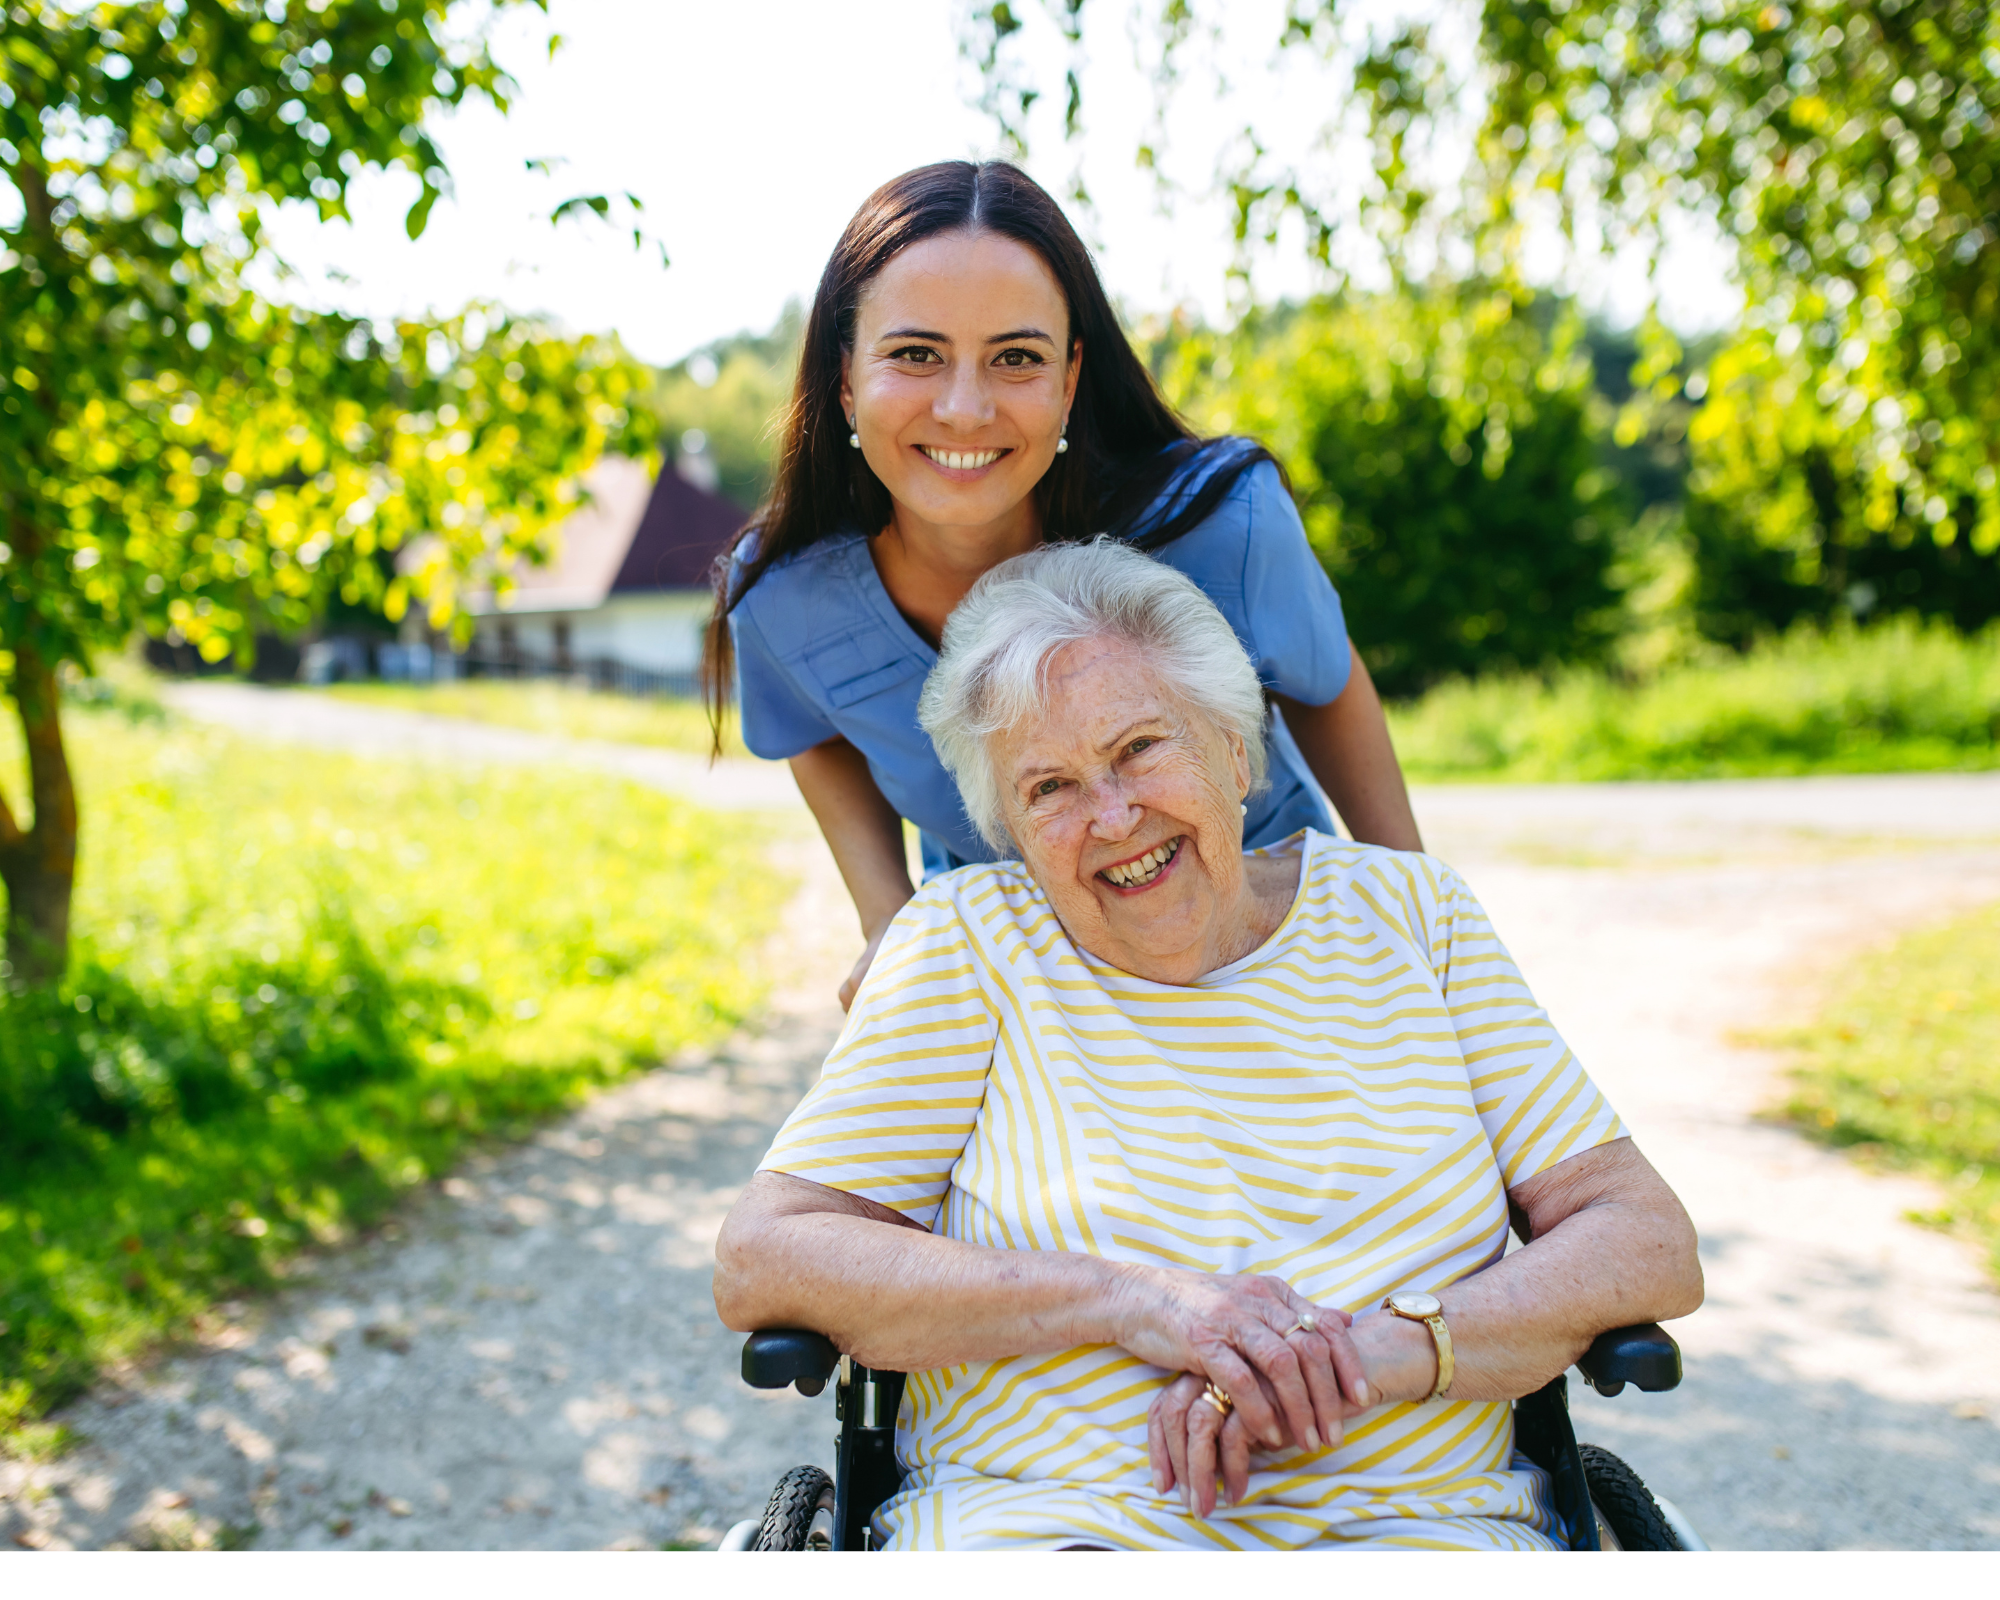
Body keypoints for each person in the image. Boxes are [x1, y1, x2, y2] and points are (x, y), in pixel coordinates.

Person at [712, 540, 1703, 1552]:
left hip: (1426, 1535)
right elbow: (767, 1257)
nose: (1111, 816)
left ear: (1235, 751)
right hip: (1052, 1534)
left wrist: (1361, 1357)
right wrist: (1131, 1301)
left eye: (1141, 747)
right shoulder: (970, 943)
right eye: (1048, 789)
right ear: (1007, 825)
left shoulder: (1412, 916)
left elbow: (1644, 1238)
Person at [704, 159, 1424, 1009]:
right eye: (915, 354)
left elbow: (1327, 686)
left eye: (1015, 357)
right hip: (1021, 983)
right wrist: (887, 918)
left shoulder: (1223, 526)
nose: (965, 409)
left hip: (1272, 947)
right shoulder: (785, 598)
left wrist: (1414, 912)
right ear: (847, 381)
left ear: (1071, 379)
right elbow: (814, 729)